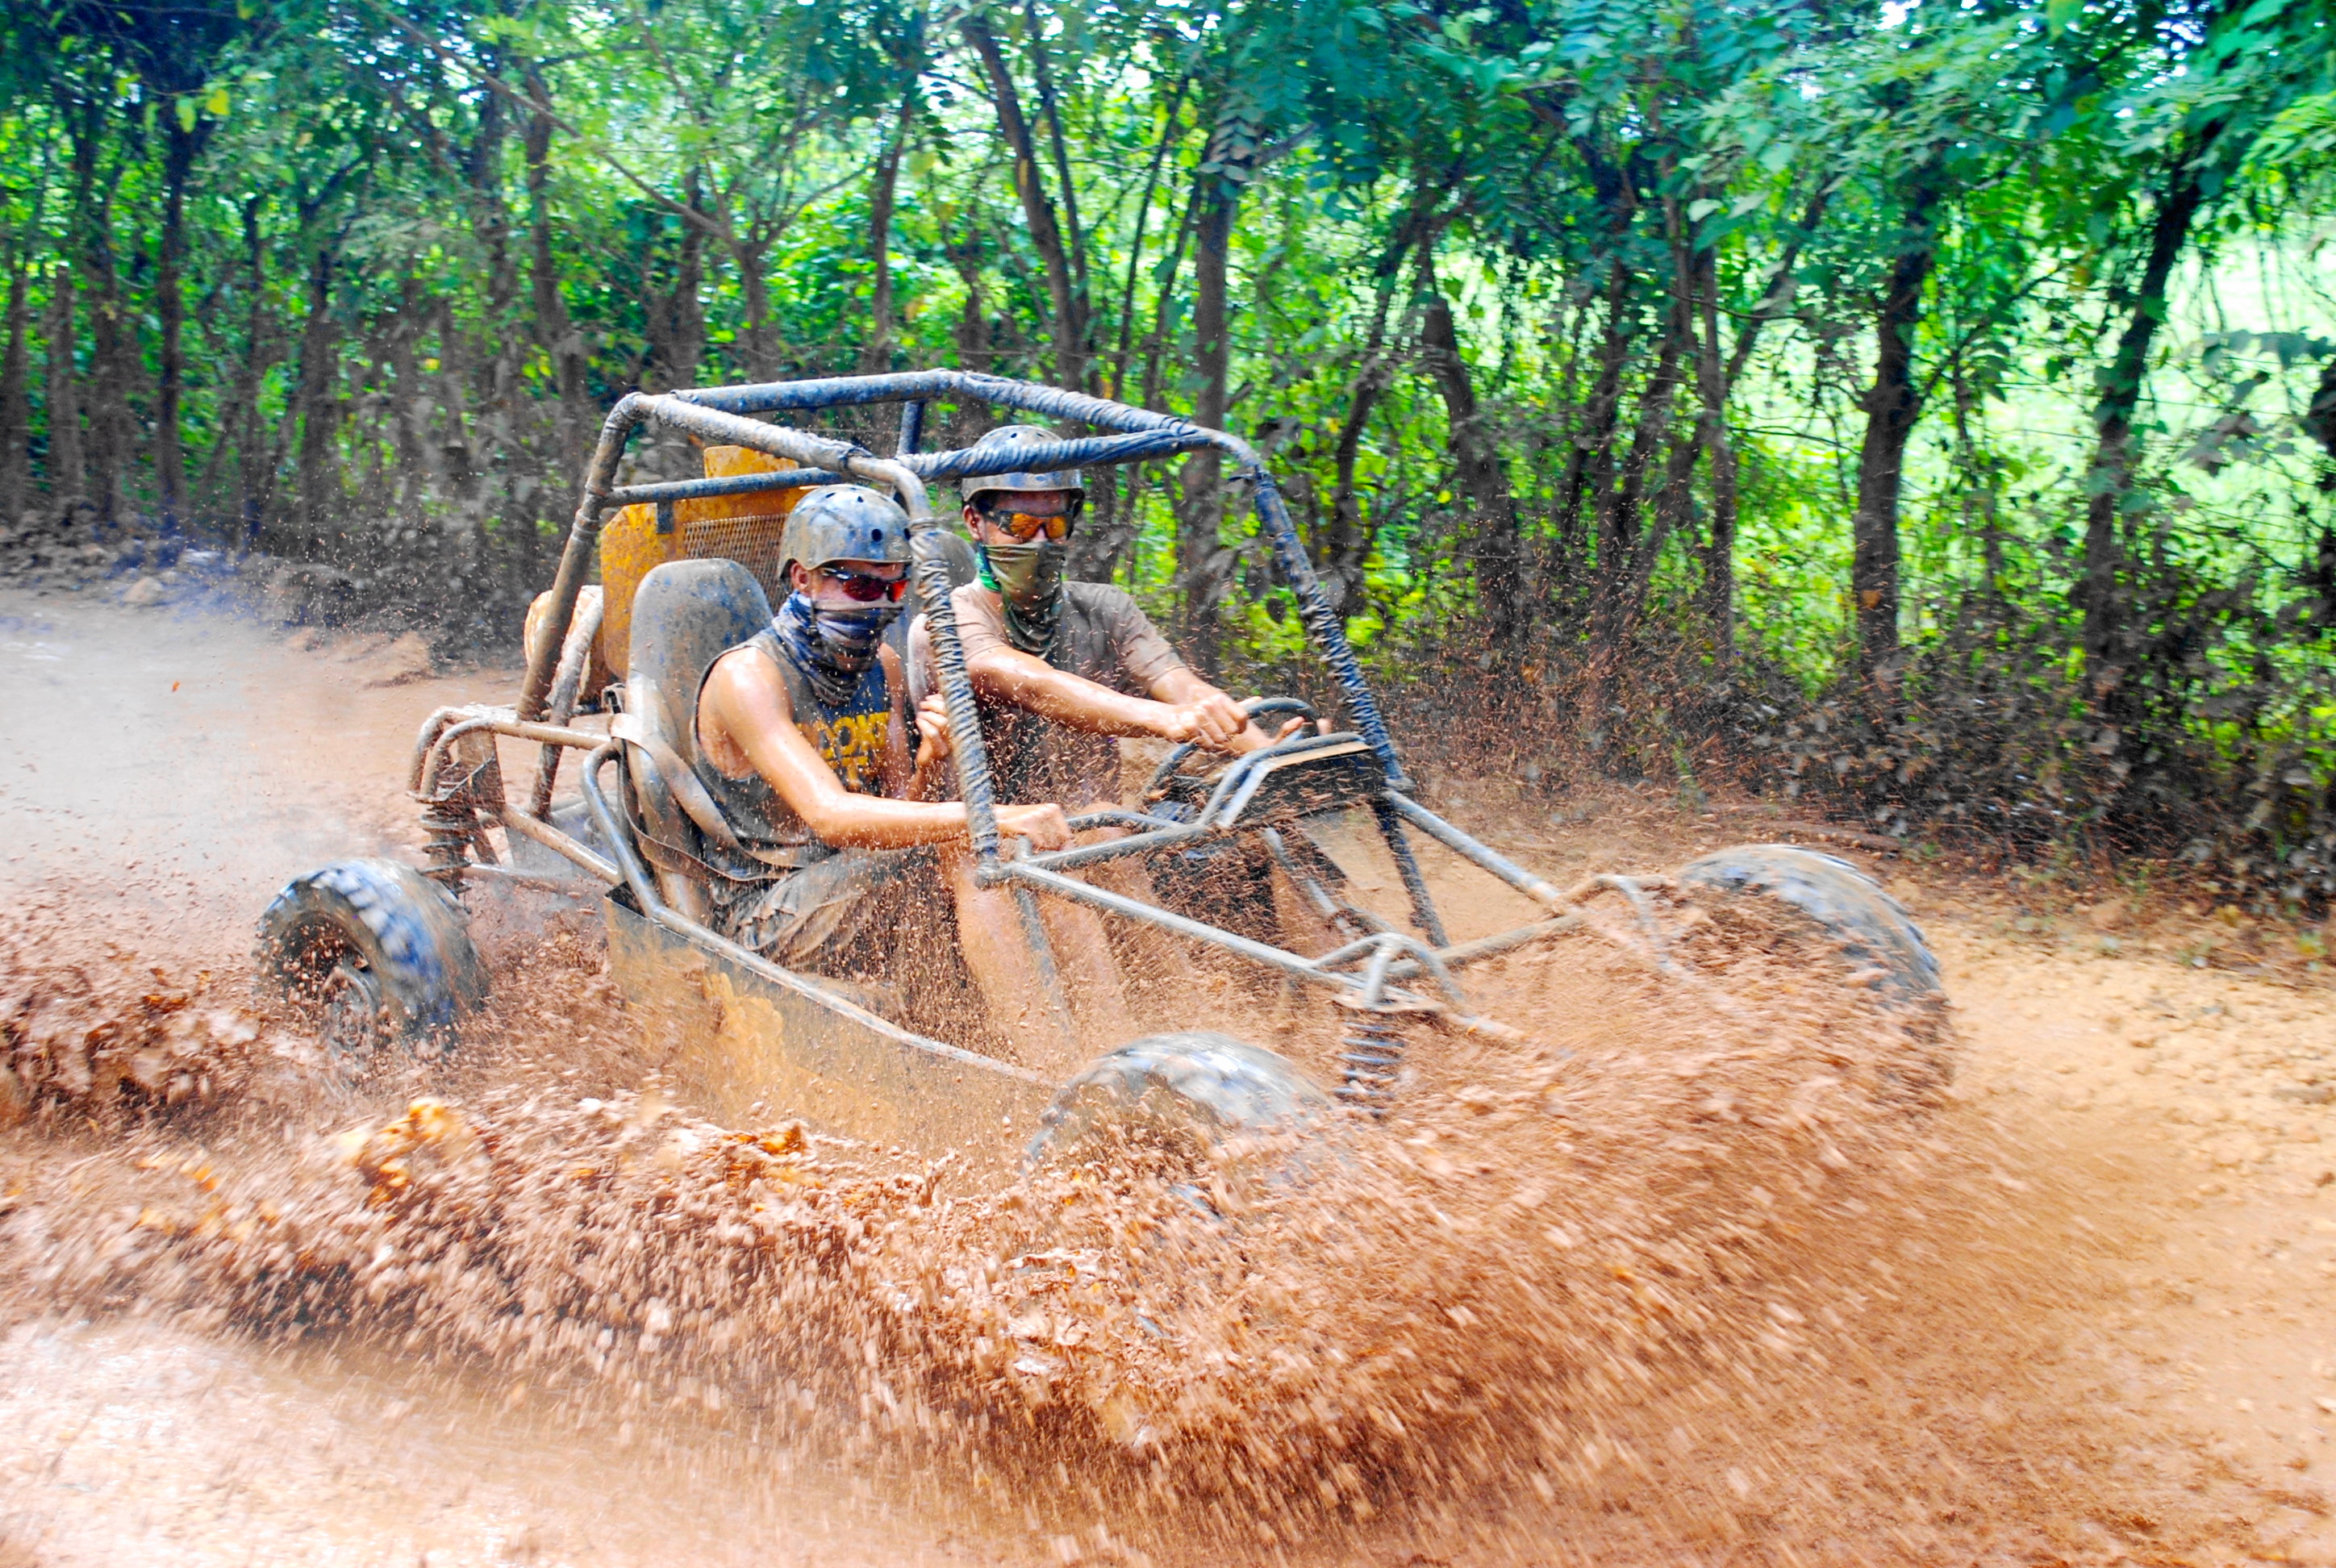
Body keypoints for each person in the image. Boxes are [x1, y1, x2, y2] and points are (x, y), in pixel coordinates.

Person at [692, 483, 1129, 1068]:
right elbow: (831, 815)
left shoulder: (883, 666)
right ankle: (1053, 1068)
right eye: (859, 585)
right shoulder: (749, 677)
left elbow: (898, 807)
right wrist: (991, 815)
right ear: (802, 579)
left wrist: (930, 765)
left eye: (893, 587)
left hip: (857, 883)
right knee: (973, 845)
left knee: (1020, 857)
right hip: (769, 910)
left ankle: (1116, 1047)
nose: (877, 604)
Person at [907, 423, 1287, 817]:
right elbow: (1030, 684)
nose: (1039, 541)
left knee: (1244, 836)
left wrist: (1270, 762)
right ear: (974, 522)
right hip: (986, 840)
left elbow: (1181, 687)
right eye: (1019, 525)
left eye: (1053, 526)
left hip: (1098, 832)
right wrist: (1165, 718)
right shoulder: (946, 620)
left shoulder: (1105, 608)